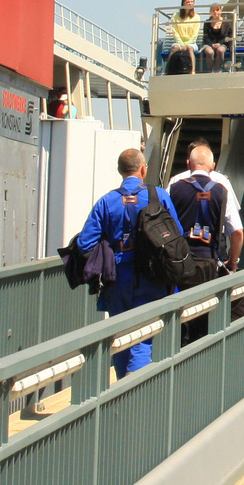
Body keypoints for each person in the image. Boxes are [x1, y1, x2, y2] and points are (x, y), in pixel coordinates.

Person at [76, 148, 180, 378]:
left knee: (120, 334)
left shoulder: (107, 201)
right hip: (151, 277)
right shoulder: (159, 196)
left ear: (120, 171)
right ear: (143, 169)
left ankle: (123, 383)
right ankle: (135, 392)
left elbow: (85, 244)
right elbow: (177, 234)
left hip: (117, 277)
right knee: (142, 335)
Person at [167, 141, 243, 269]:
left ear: (188, 163)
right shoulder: (222, 185)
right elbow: (237, 232)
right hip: (213, 258)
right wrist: (233, 262)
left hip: (181, 258)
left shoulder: (175, 183)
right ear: (213, 166)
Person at [166, 0, 199, 75]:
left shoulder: (196, 17)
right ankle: (167, 70)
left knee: (190, 49)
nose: (190, 4)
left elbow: (195, 34)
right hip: (179, 42)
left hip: (191, 43)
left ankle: (193, 70)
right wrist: (181, 44)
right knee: (174, 48)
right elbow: (175, 31)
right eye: (188, 2)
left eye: (192, 2)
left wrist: (187, 44)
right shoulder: (175, 16)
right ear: (183, 3)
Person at [198, 4, 232, 72]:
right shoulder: (207, 23)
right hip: (209, 44)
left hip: (222, 43)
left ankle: (217, 70)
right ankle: (209, 71)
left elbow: (227, 36)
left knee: (220, 50)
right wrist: (211, 44)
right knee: (209, 52)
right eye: (213, 10)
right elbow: (206, 36)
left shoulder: (226, 22)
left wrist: (219, 43)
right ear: (210, 12)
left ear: (220, 11)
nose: (215, 12)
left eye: (217, 10)